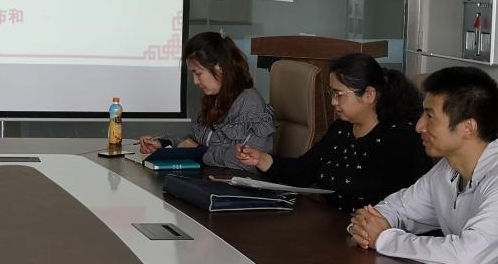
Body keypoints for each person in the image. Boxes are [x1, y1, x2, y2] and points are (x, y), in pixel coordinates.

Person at [349, 67, 498, 264]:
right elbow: (396, 209)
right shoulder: (446, 169)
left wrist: (384, 239)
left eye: (430, 116)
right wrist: (367, 226)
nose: (419, 126)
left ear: (468, 127)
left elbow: (467, 255)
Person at [236, 54, 432, 212]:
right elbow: (304, 171)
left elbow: (418, 206)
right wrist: (261, 159)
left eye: (339, 94)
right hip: (333, 229)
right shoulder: (341, 129)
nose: (333, 102)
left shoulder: (403, 138)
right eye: (332, 93)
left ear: (368, 95)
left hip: (377, 238)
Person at [139, 31, 274, 170]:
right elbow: (194, 141)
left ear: (220, 68)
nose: (195, 81)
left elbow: (243, 161)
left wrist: (199, 150)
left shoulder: (250, 102)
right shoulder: (215, 98)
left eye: (198, 73)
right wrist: (163, 143)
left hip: (236, 182)